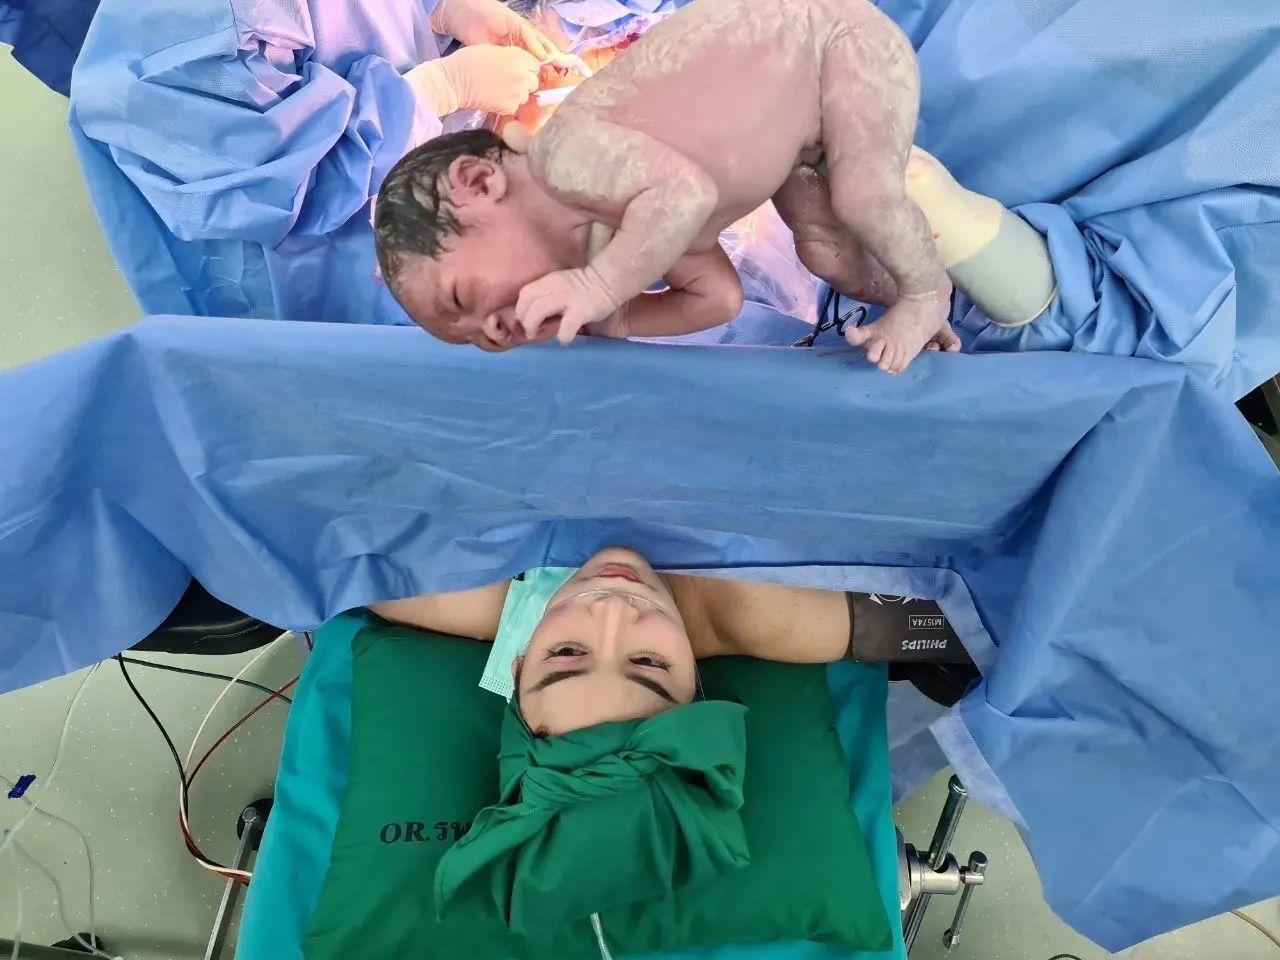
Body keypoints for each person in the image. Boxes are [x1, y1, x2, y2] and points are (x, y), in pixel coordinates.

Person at [373, 0, 962, 373]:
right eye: (480, 342)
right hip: (798, 139)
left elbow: (684, 195)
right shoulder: (626, 237)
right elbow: (720, 298)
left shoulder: (565, 157)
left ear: (479, 182)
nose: (494, 330)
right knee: (829, 257)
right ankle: (930, 299)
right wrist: (623, 318)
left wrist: (600, 286)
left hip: (834, 43)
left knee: (863, 196)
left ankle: (926, 293)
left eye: (462, 301)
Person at [68, 0, 567, 326]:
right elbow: (274, 188)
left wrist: (437, 9)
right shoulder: (208, 27)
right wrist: (436, 90)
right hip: (311, 267)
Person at [372, 545, 856, 736]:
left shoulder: (439, 594)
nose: (612, 610)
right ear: (695, 684)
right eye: (648, 662)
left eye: (567, 652)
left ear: (518, 663)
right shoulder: (788, 616)